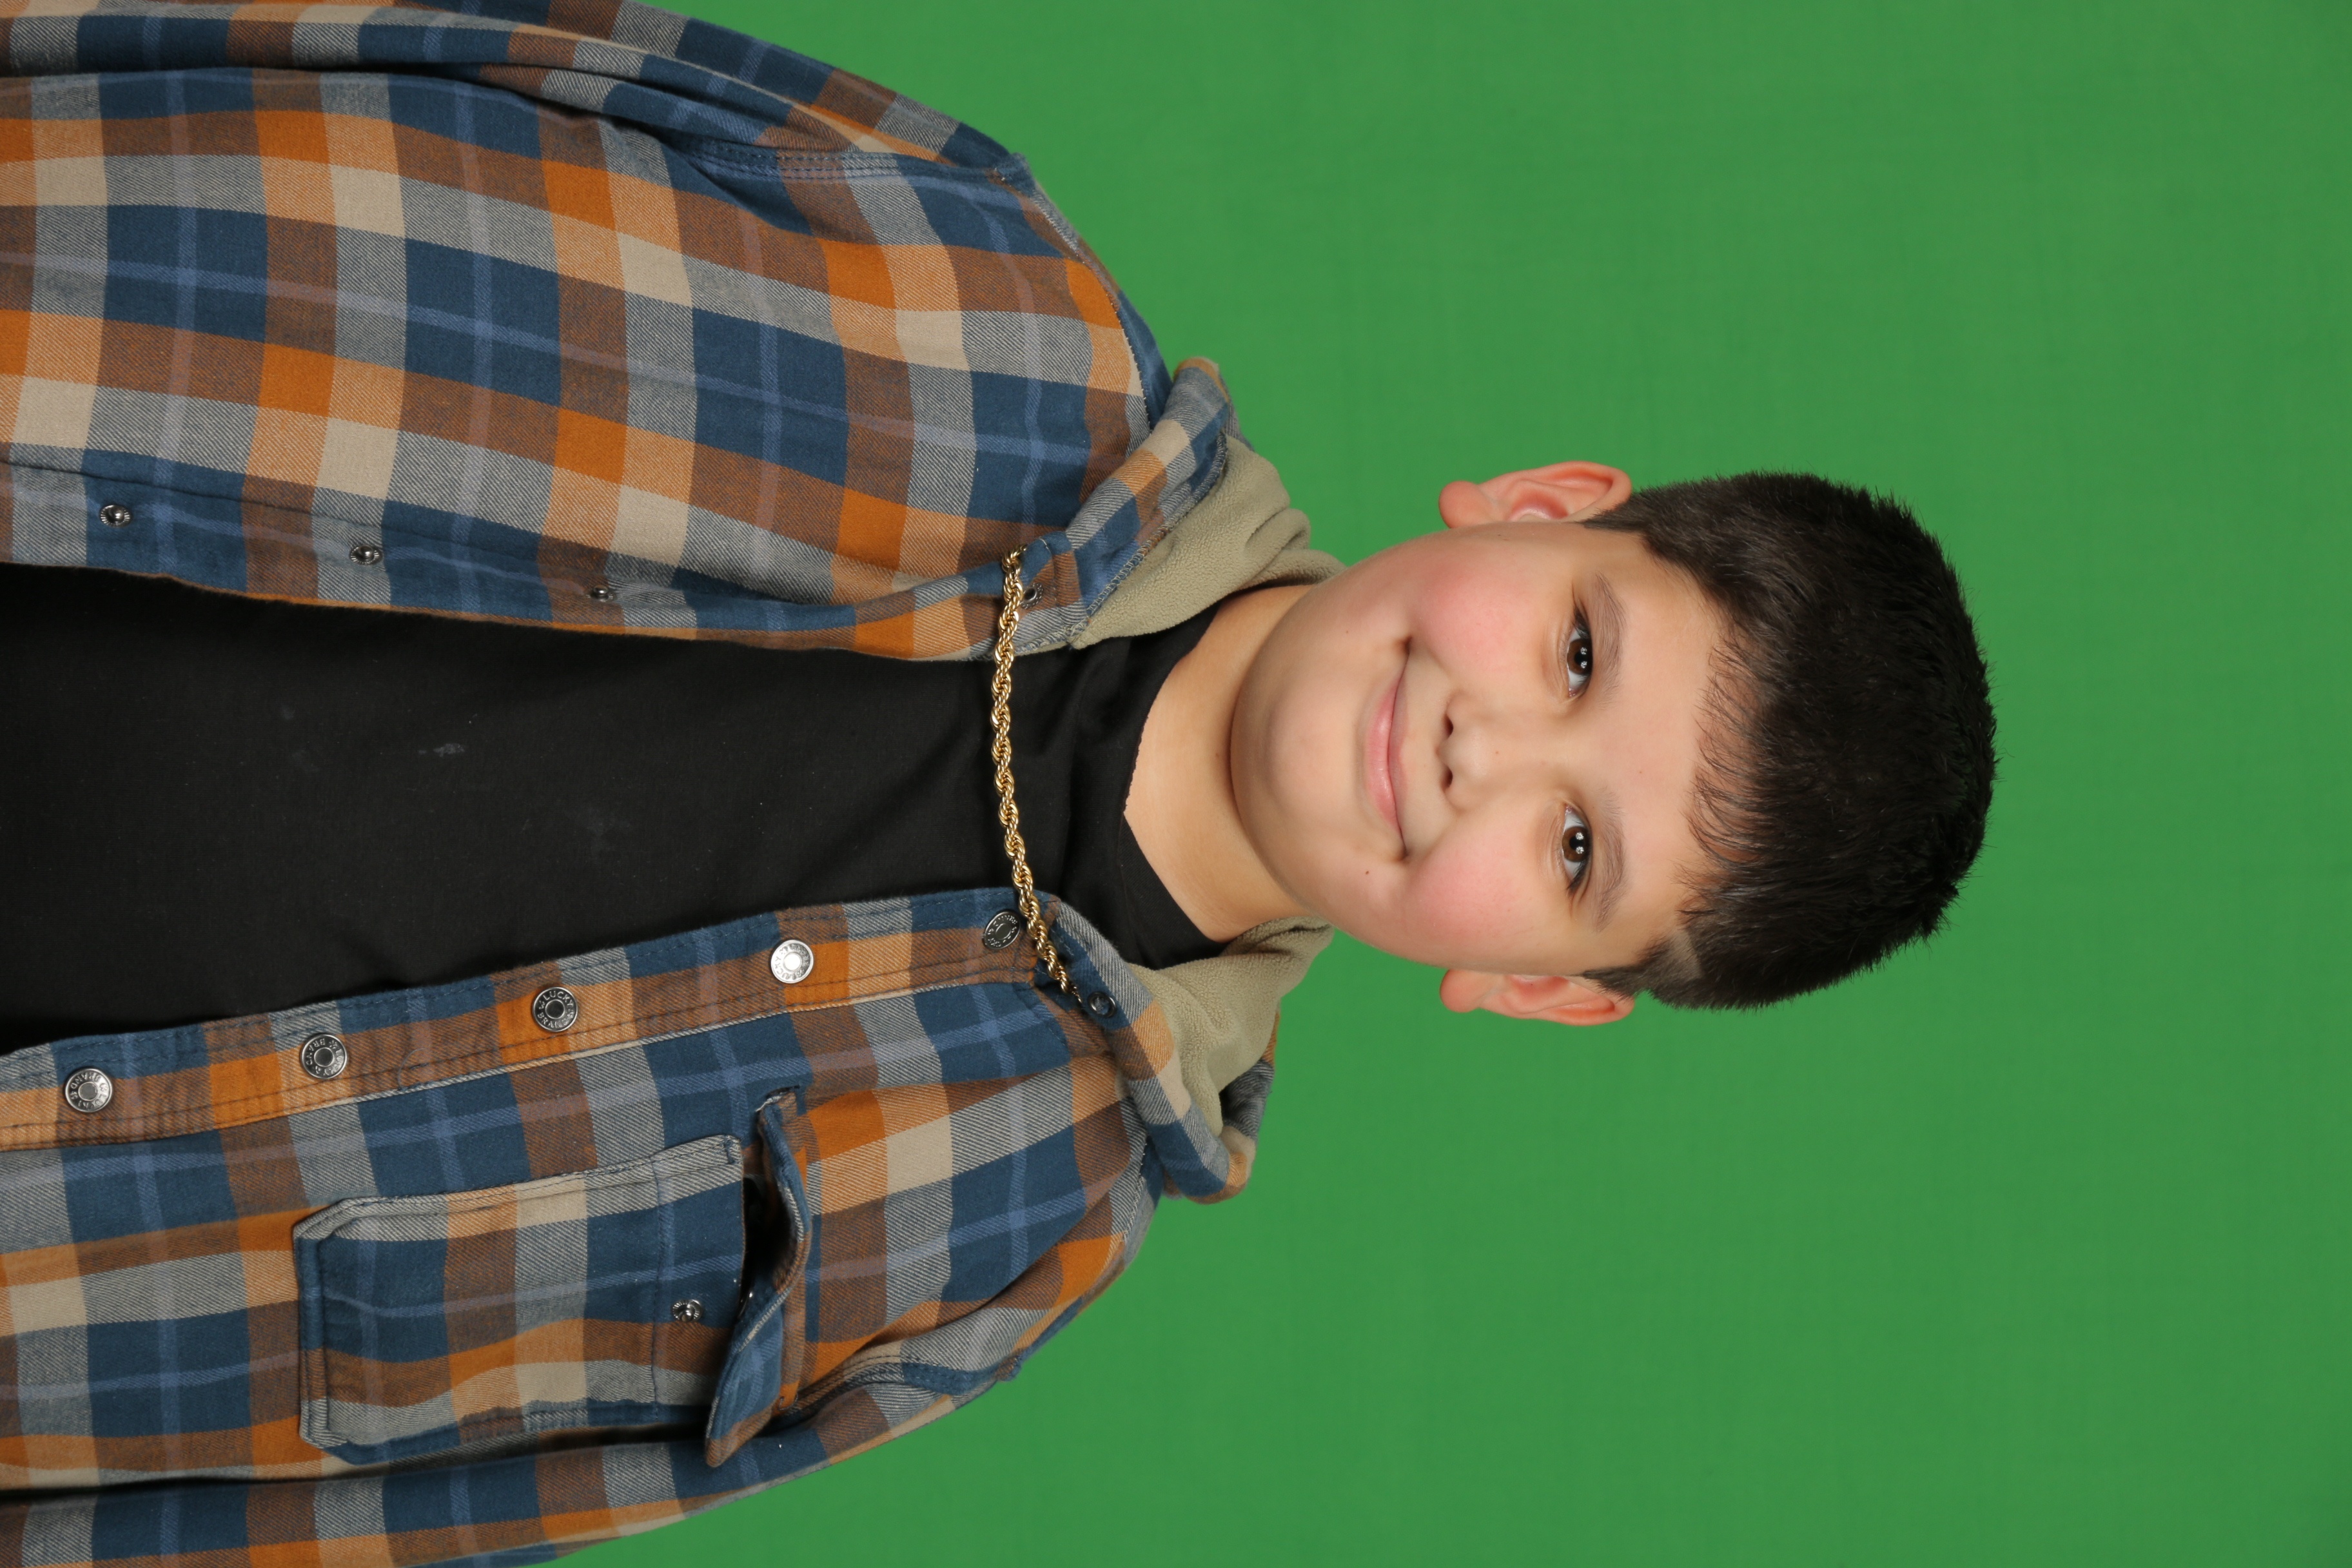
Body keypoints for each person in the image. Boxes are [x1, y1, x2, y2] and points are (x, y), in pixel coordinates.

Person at [0, 0, 1994, 1562]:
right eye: (1575, 653)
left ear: (1537, 986)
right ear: (1544, 506)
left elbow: (374, 1512)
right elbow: (380, 45)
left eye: (1574, 846)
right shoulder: (968, 274)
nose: (1487, 749)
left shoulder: (1000, 1242)